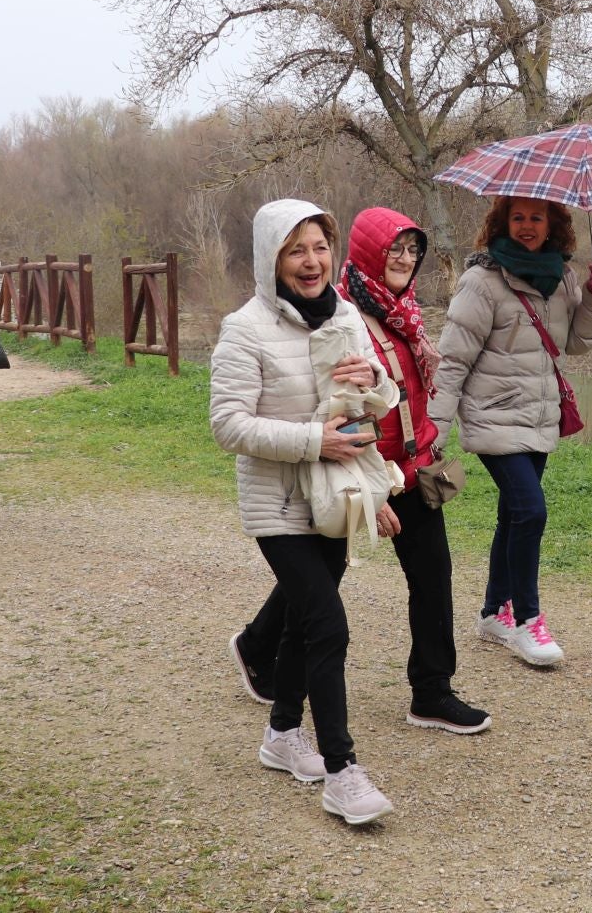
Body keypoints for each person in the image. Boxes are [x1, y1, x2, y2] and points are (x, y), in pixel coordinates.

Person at [228, 207, 492, 736]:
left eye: (412, 250)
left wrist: (422, 441)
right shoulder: (344, 316)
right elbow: (339, 408)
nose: (404, 259)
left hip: (415, 468)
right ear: (369, 252)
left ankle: (432, 691)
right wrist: (374, 490)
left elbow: (394, 396)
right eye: (394, 249)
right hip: (369, 468)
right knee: (321, 582)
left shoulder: (404, 313)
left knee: (431, 574)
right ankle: (263, 657)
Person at [210, 199, 401, 826]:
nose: (312, 261)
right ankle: (343, 771)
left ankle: (282, 734)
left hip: (335, 496)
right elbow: (228, 424)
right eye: (296, 250)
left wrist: (371, 380)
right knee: (327, 625)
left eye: (319, 247)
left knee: (298, 620)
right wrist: (312, 440)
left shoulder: (345, 313)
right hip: (278, 503)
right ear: (273, 259)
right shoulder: (245, 328)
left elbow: (372, 402)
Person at [429, 195, 592, 667]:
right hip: (492, 416)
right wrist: (436, 426)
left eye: (536, 218)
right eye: (518, 218)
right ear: (502, 223)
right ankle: (528, 622)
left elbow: (575, 344)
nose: (527, 226)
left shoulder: (562, 278)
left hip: (539, 416)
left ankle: (493, 612)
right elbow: (453, 360)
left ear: (553, 226)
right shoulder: (481, 281)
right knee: (531, 511)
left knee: (513, 515)